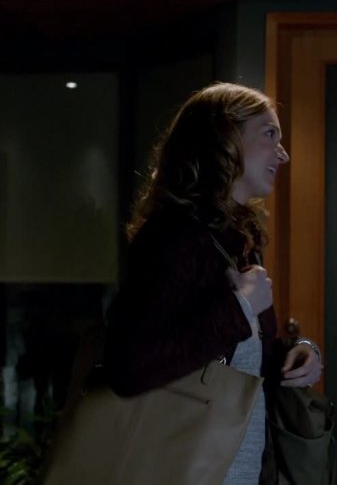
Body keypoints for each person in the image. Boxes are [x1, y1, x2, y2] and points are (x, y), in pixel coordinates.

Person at [103, 82, 323, 484]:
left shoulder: (237, 239)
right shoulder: (172, 236)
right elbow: (131, 366)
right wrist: (240, 307)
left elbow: (232, 357)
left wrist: (298, 353)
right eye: (270, 134)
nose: (283, 154)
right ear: (225, 138)